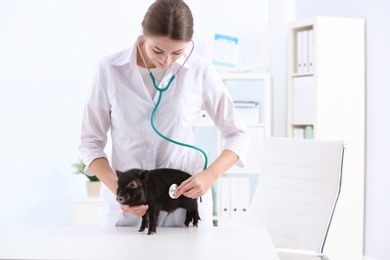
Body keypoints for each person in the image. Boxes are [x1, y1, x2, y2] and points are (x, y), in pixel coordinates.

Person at [78, 0, 250, 227]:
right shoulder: (109, 69)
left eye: (178, 52)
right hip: (129, 215)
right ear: (143, 32)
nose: (165, 60)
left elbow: (238, 134)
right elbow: (90, 142)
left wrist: (209, 176)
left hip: (182, 209)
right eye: (157, 50)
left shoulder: (200, 71)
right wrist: (121, 192)